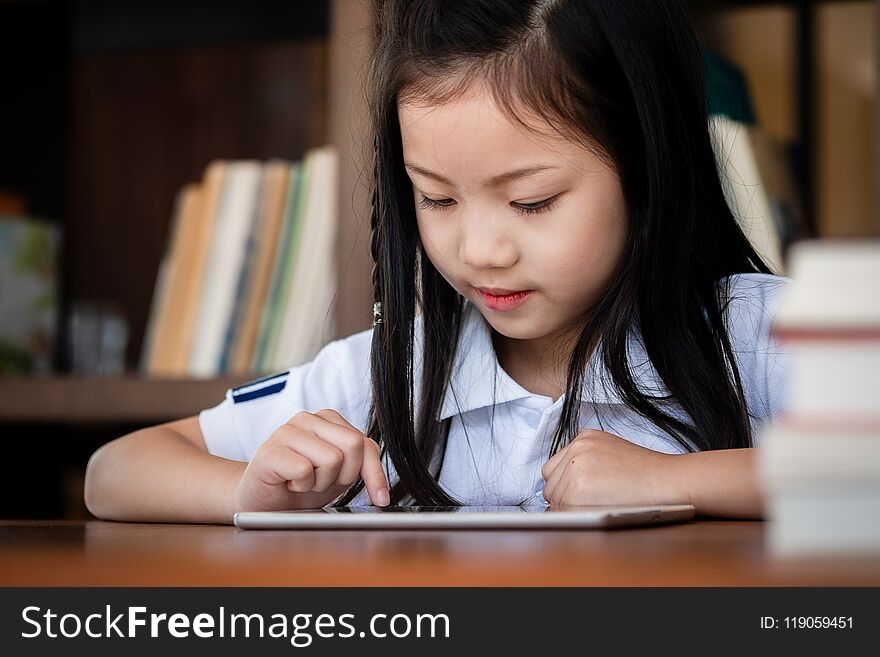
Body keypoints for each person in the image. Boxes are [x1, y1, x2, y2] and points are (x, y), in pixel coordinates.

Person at [84, 0, 791, 524]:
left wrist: (681, 478)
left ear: (649, 167)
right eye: (437, 199)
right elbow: (113, 471)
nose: (480, 251)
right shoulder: (389, 374)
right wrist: (250, 495)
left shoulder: (759, 334)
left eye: (533, 201)